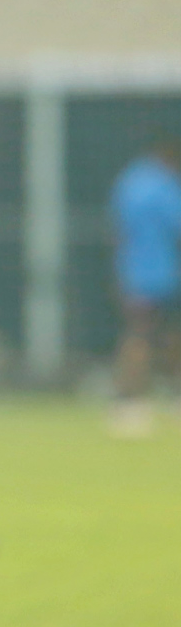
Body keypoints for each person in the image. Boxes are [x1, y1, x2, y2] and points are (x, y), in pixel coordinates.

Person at [110, 137, 181, 437]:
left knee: (138, 334)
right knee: (167, 334)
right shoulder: (164, 185)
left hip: (132, 271)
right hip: (165, 271)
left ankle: (130, 402)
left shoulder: (128, 181)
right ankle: (172, 395)